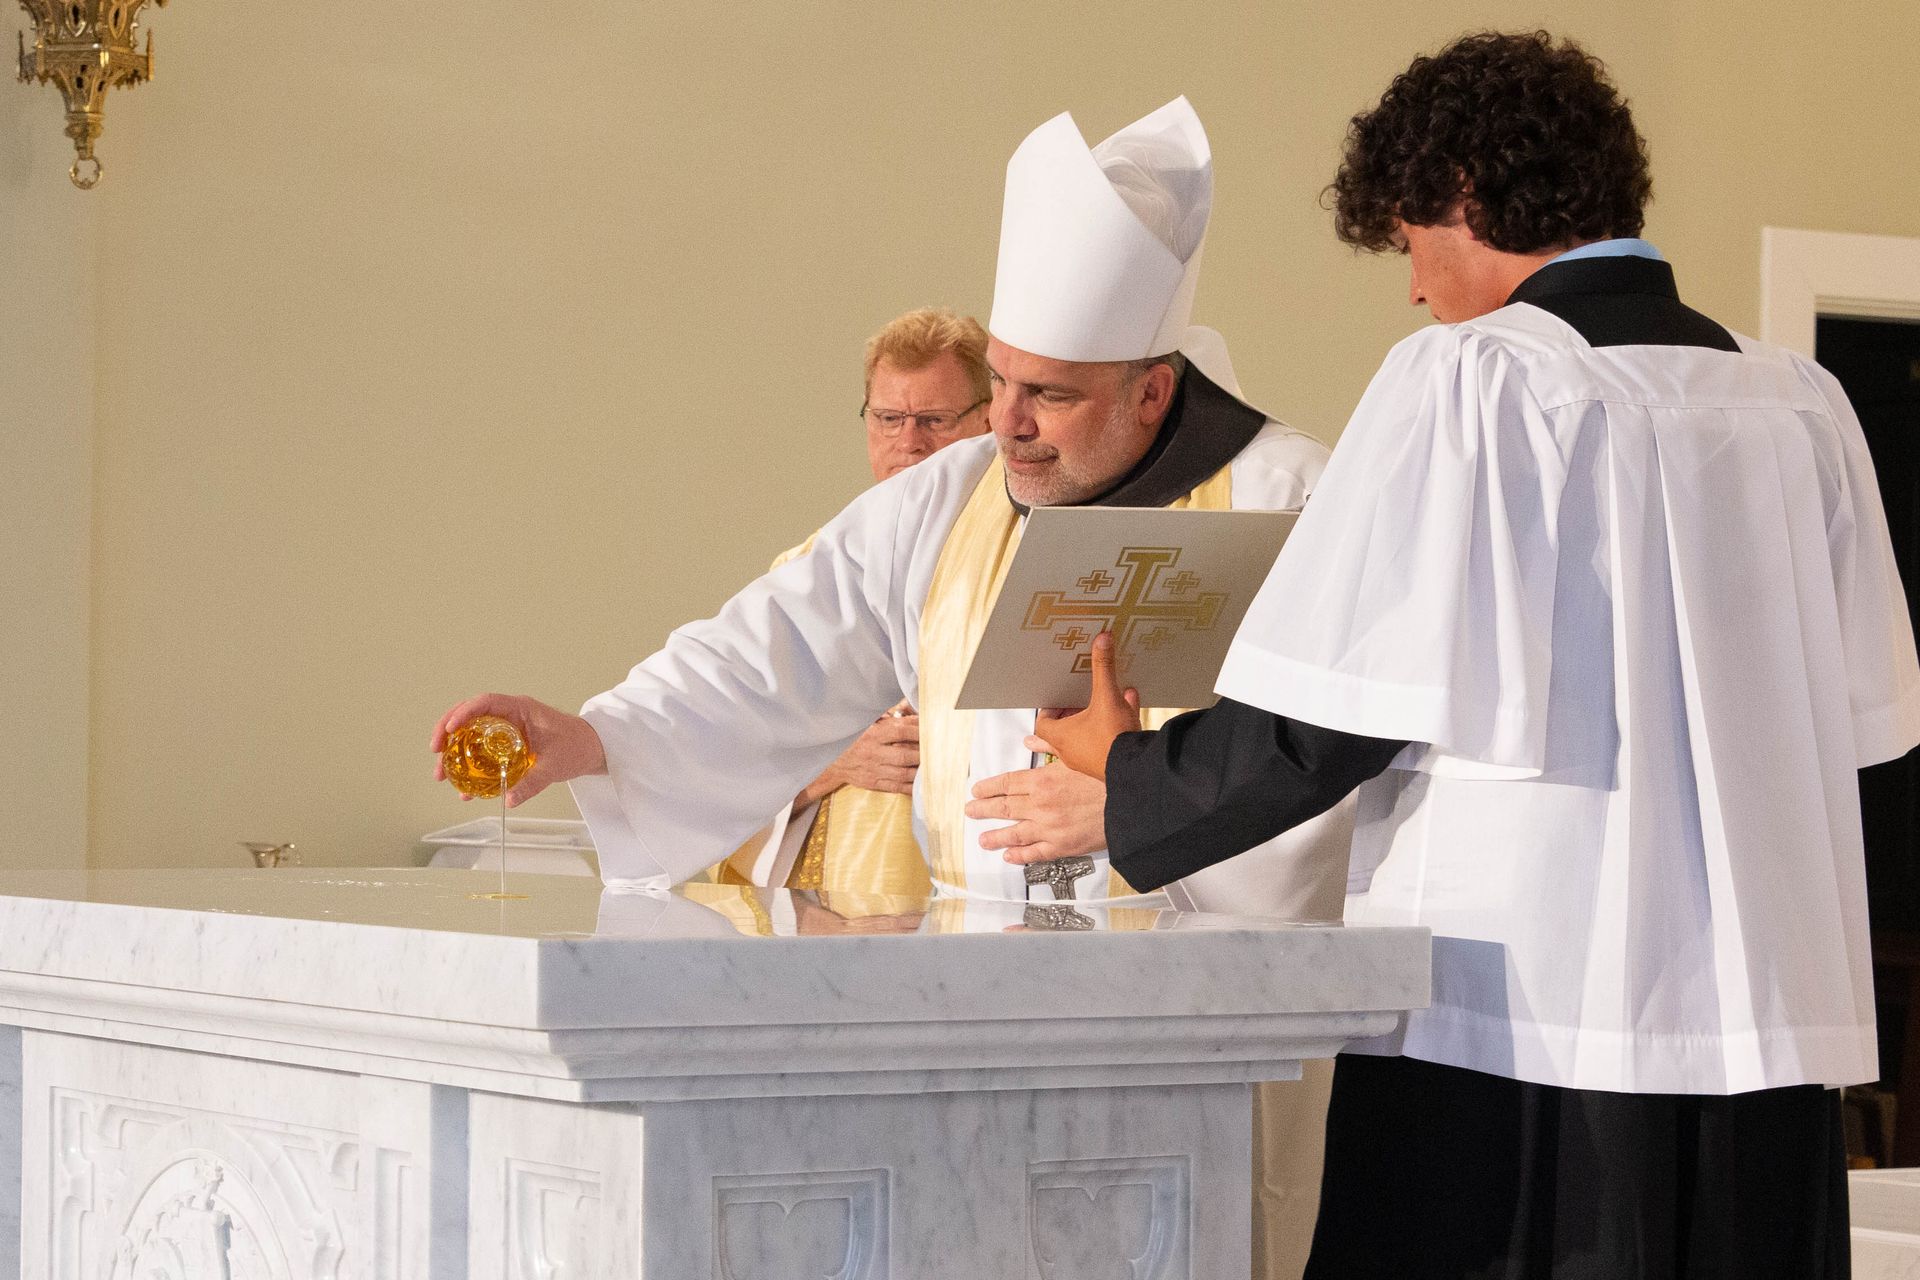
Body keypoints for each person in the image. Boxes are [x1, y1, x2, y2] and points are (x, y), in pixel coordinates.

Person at [1034, 32, 1920, 1280]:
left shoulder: (1475, 378)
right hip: (1762, 1035)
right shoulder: (1799, 405)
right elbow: (1866, 721)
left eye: (1408, 242)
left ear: (1463, 194)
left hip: (1522, 1024)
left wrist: (1127, 776)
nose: (1412, 287)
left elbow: (1336, 706)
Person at [434, 96, 1352, 1279]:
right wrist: (602, 733)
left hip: (1196, 1021)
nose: (1006, 426)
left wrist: (1136, 806)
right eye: (1004, 382)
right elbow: (776, 640)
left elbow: (1329, 757)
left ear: (1152, 391)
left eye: (1050, 395)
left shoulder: (1297, 498)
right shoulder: (953, 495)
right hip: (961, 998)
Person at [712, 308, 990, 895]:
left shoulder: (1023, 565)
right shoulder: (810, 572)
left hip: (983, 885)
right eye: (889, 418)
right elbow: (729, 766)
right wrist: (831, 762)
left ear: (989, 420)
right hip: (840, 910)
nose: (909, 443)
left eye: (934, 420)